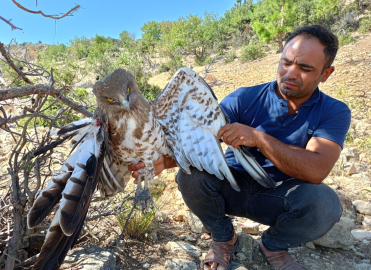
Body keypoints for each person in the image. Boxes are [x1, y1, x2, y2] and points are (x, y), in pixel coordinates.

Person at [129, 25, 351, 270]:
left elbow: (316, 170)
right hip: (233, 186)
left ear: (326, 73)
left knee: (326, 205)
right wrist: (166, 161)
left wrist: (258, 138)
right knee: (189, 176)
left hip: (281, 196)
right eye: (286, 62)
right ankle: (224, 238)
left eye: (305, 68)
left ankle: (273, 245)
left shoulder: (334, 111)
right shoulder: (244, 98)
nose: (290, 73)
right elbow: (199, 139)